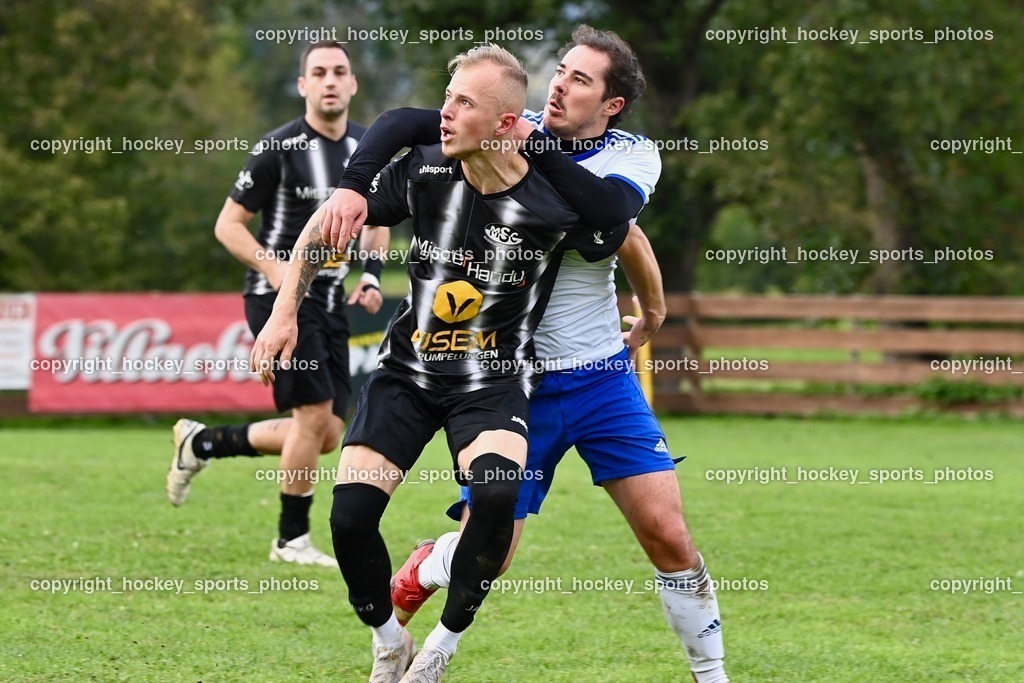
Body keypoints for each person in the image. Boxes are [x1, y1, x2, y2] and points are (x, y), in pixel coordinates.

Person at [318, 25, 729, 683]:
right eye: (560, 70)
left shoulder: (629, 154)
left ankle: (713, 675)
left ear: (612, 105)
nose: (561, 85)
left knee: (669, 535)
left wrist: (654, 307)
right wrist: (355, 183)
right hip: (516, 375)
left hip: (599, 375)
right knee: (494, 549)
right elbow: (402, 124)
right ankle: (431, 565)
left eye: (581, 79)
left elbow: (620, 229)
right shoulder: (507, 129)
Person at [252, 43, 630, 683]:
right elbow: (326, 224)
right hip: (407, 376)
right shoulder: (424, 171)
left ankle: (442, 649)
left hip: (492, 384)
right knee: (349, 518)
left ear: (507, 124)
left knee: (495, 498)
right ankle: (387, 639)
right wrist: (285, 309)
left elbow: (626, 235)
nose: (445, 114)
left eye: (462, 103)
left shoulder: (555, 200)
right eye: (447, 97)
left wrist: (653, 308)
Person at [166, 40, 388, 568]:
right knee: (312, 417)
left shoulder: (367, 147)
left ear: (353, 84)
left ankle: (203, 444)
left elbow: (376, 220)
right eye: (319, 72)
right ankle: (291, 539)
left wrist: (373, 276)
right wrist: (274, 268)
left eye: (340, 72)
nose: (330, 80)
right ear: (303, 86)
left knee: (328, 432)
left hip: (332, 299)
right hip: (279, 300)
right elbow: (228, 224)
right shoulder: (278, 148)